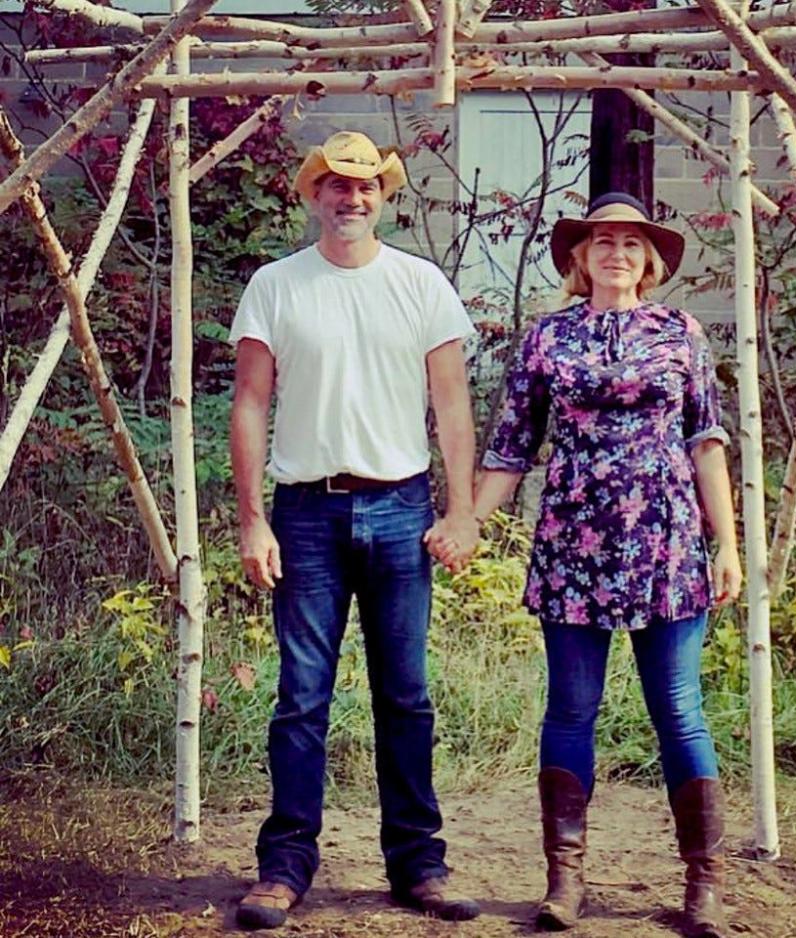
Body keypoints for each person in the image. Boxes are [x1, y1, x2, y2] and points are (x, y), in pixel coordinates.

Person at [434, 193, 742, 937]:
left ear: (650, 260)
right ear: (579, 257)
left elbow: (706, 439)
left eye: (632, 244)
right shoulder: (547, 339)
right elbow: (511, 445)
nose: (616, 254)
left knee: (678, 709)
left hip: (667, 545)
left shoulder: (681, 332)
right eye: (602, 241)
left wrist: (727, 541)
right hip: (574, 544)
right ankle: (564, 882)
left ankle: (704, 885)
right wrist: (469, 518)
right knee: (571, 709)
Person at [229, 130, 481, 931]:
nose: (353, 198)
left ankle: (418, 864)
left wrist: (462, 508)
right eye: (337, 185)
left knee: (405, 697)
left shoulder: (421, 284)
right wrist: (251, 519)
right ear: (313, 195)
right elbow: (250, 405)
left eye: (367, 185)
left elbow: (450, 406)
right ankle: (284, 866)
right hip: (305, 514)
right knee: (302, 698)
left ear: (385, 195)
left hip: (401, 508)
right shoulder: (276, 285)